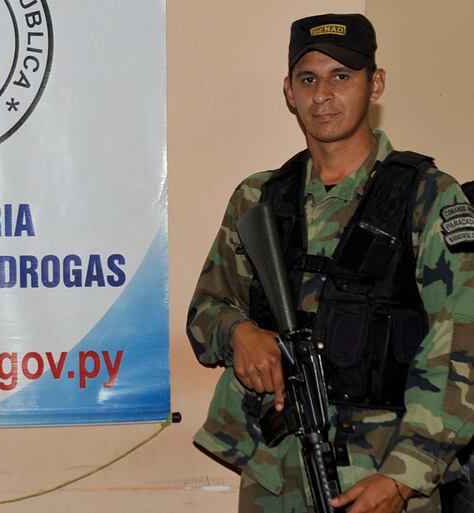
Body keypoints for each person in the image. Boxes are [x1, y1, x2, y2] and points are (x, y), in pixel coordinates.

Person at [186, 13, 474, 513]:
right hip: (274, 473)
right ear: (288, 91)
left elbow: (461, 349)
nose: (323, 94)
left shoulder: (429, 198)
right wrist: (239, 335)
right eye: (308, 78)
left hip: (384, 478)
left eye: (342, 76)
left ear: (375, 83)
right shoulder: (259, 198)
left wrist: (405, 477)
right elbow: (206, 310)